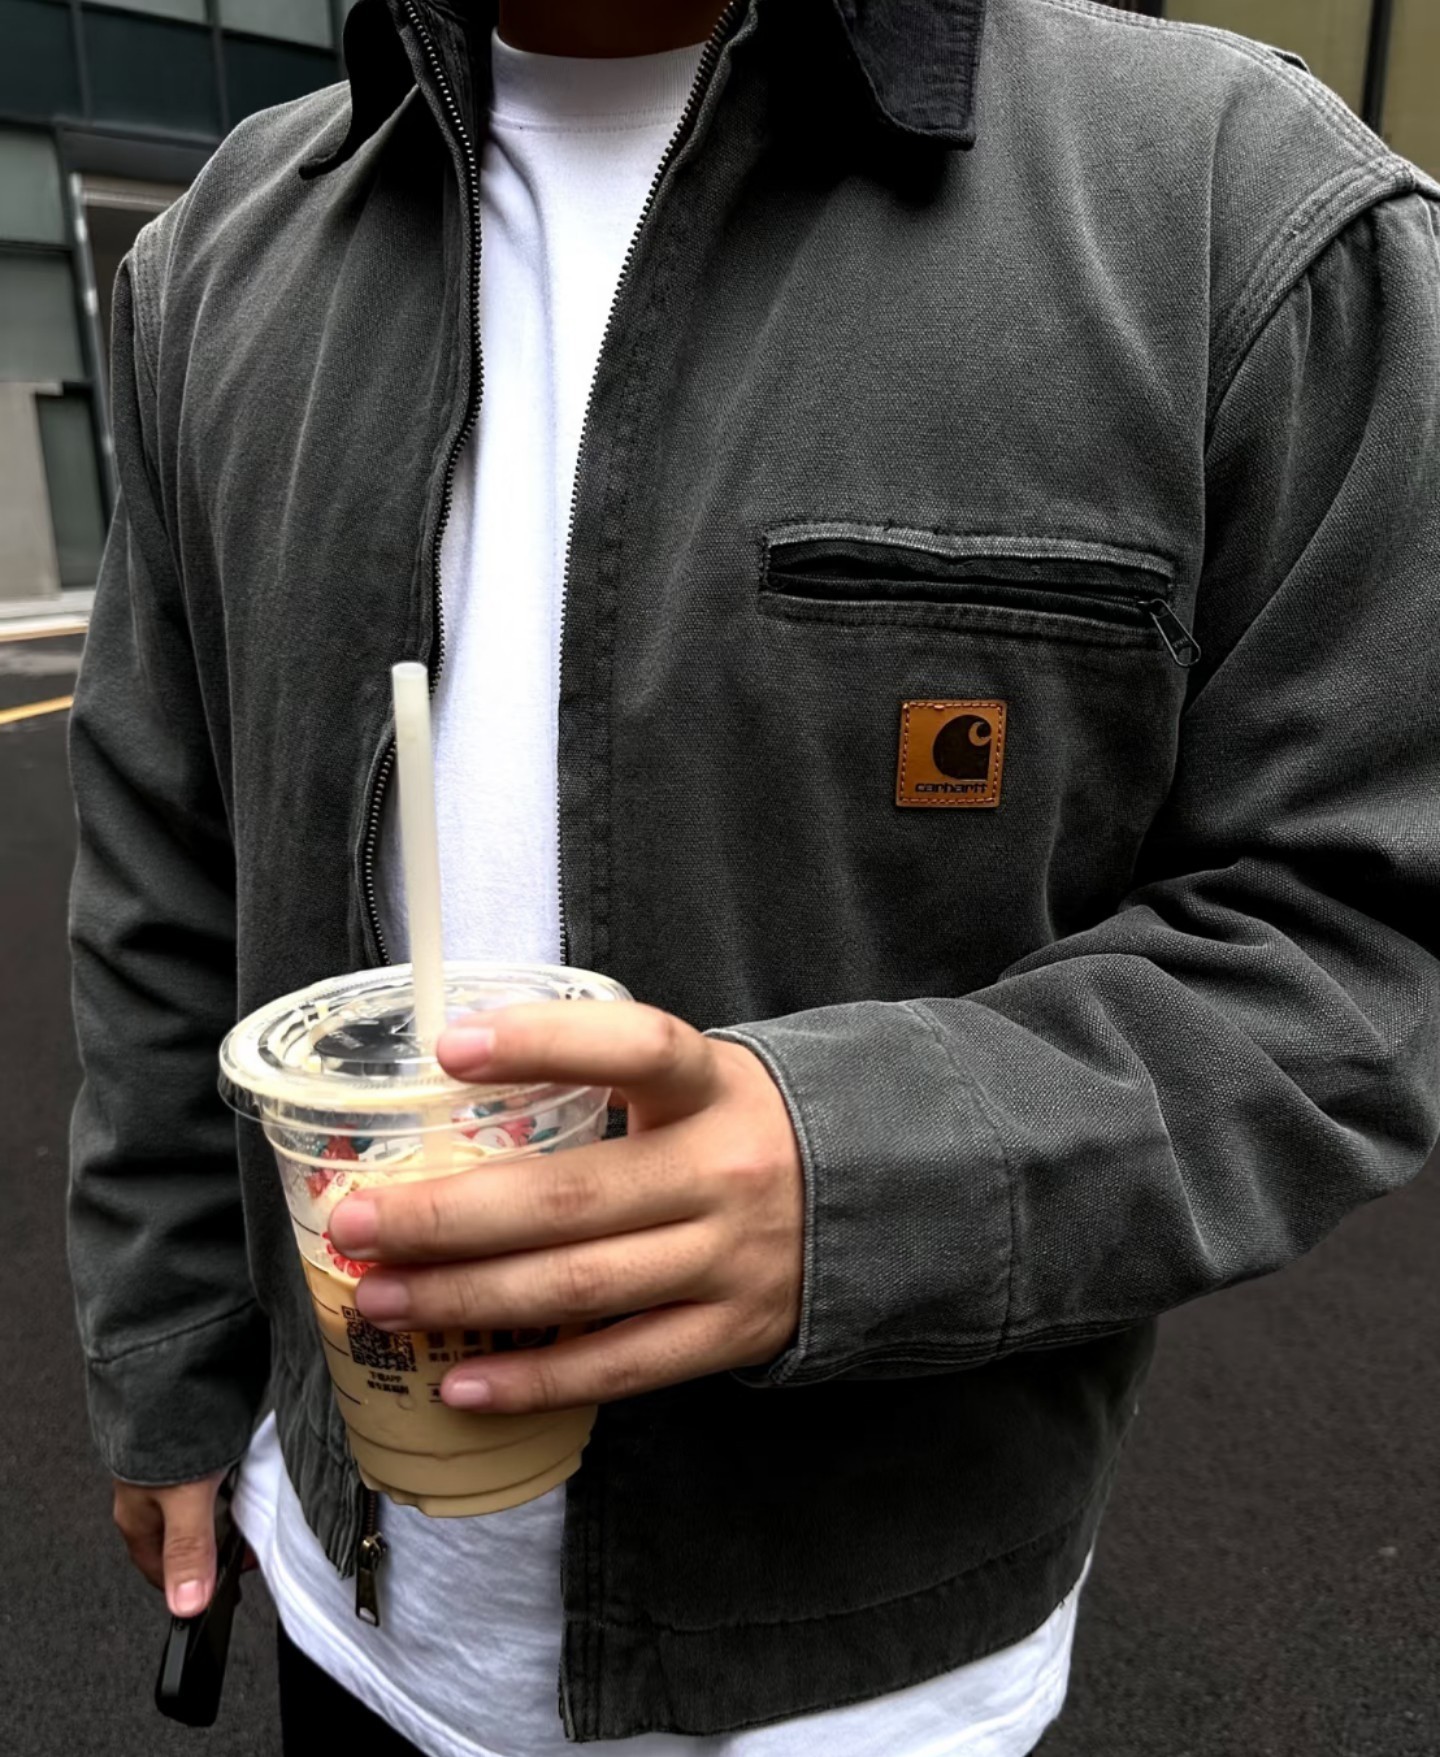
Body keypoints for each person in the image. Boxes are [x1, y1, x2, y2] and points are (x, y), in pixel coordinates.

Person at [67, 0, 1440, 1753]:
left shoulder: (1232, 208)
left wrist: (857, 1176)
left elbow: (1357, 924)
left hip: (874, 1688)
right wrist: (167, 1366)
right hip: (354, 1605)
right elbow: (165, 878)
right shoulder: (219, 258)